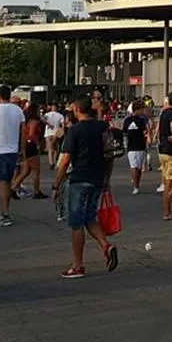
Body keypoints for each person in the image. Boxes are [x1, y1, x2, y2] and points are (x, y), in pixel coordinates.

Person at [52, 96, 118, 277]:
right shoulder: (102, 127)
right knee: (89, 216)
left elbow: (65, 160)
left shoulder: (74, 131)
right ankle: (106, 246)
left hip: (79, 178)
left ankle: (78, 264)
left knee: (76, 223)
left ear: (77, 110)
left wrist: (56, 185)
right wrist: (107, 179)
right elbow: (109, 154)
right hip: (97, 178)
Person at [0, 86, 25, 227]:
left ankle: (5, 213)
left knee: (2, 182)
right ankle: (6, 210)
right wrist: (22, 149)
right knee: (7, 181)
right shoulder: (18, 110)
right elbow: (23, 131)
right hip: (13, 149)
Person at [120, 99, 151, 197]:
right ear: (136, 110)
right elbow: (124, 132)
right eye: (141, 110)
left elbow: (144, 132)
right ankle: (135, 185)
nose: (142, 112)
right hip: (134, 146)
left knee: (138, 167)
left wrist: (147, 138)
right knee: (134, 166)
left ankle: (136, 183)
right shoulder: (131, 120)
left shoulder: (140, 120)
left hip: (138, 146)